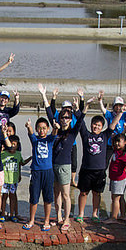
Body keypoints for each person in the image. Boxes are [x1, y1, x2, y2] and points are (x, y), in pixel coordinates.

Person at [41, 84, 80, 231]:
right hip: (53, 165)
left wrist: (80, 105)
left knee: (66, 194)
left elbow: (81, 119)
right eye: (62, 117)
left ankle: (67, 219)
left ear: (70, 119)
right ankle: (58, 217)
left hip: (65, 166)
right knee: (55, 193)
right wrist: (46, 95)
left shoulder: (72, 132)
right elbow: (48, 111)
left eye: (67, 117)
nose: (64, 119)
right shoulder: (55, 129)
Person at [75, 108, 120, 223]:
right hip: (86, 169)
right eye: (94, 124)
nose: (96, 127)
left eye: (99, 125)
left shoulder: (105, 135)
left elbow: (113, 124)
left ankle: (95, 214)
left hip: (100, 171)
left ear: (102, 127)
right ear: (91, 125)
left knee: (97, 193)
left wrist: (120, 113)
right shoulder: (86, 135)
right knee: (83, 192)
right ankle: (80, 214)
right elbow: (81, 122)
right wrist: (77, 109)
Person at [23, 117, 58, 231]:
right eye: (39, 128)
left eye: (44, 128)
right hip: (36, 172)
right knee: (34, 197)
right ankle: (31, 220)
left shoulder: (50, 139)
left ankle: (46, 220)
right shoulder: (35, 140)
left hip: (48, 172)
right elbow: (30, 133)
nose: (42, 130)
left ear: (47, 129)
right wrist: (29, 126)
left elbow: (54, 133)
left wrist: (56, 128)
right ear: (37, 129)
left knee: (48, 198)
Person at [0, 134, 29, 223]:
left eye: (14, 144)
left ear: (17, 145)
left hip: (14, 180)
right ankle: (3, 214)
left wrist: (31, 158)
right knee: (4, 197)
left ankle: (12, 214)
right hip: (4, 180)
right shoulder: (3, 154)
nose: (12, 146)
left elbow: (22, 163)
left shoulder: (18, 154)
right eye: (11, 144)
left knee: (12, 197)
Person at [107, 133, 126, 222]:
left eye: (119, 142)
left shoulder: (125, 155)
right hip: (114, 178)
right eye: (115, 142)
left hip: (119, 179)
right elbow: (115, 138)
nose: (117, 144)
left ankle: (113, 218)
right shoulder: (116, 151)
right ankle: (123, 215)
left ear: (125, 142)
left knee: (115, 198)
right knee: (120, 197)